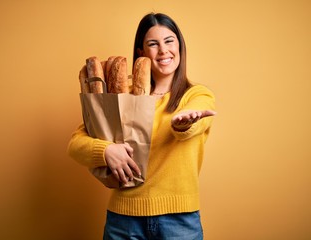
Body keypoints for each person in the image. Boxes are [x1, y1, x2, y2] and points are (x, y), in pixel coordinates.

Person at [68, 12, 216, 240]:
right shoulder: (121, 95)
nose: (163, 50)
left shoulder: (195, 95)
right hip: (123, 220)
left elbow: (195, 121)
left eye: (169, 41)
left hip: (179, 221)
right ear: (141, 53)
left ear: (180, 47)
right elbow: (75, 145)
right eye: (153, 44)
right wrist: (106, 151)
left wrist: (184, 122)